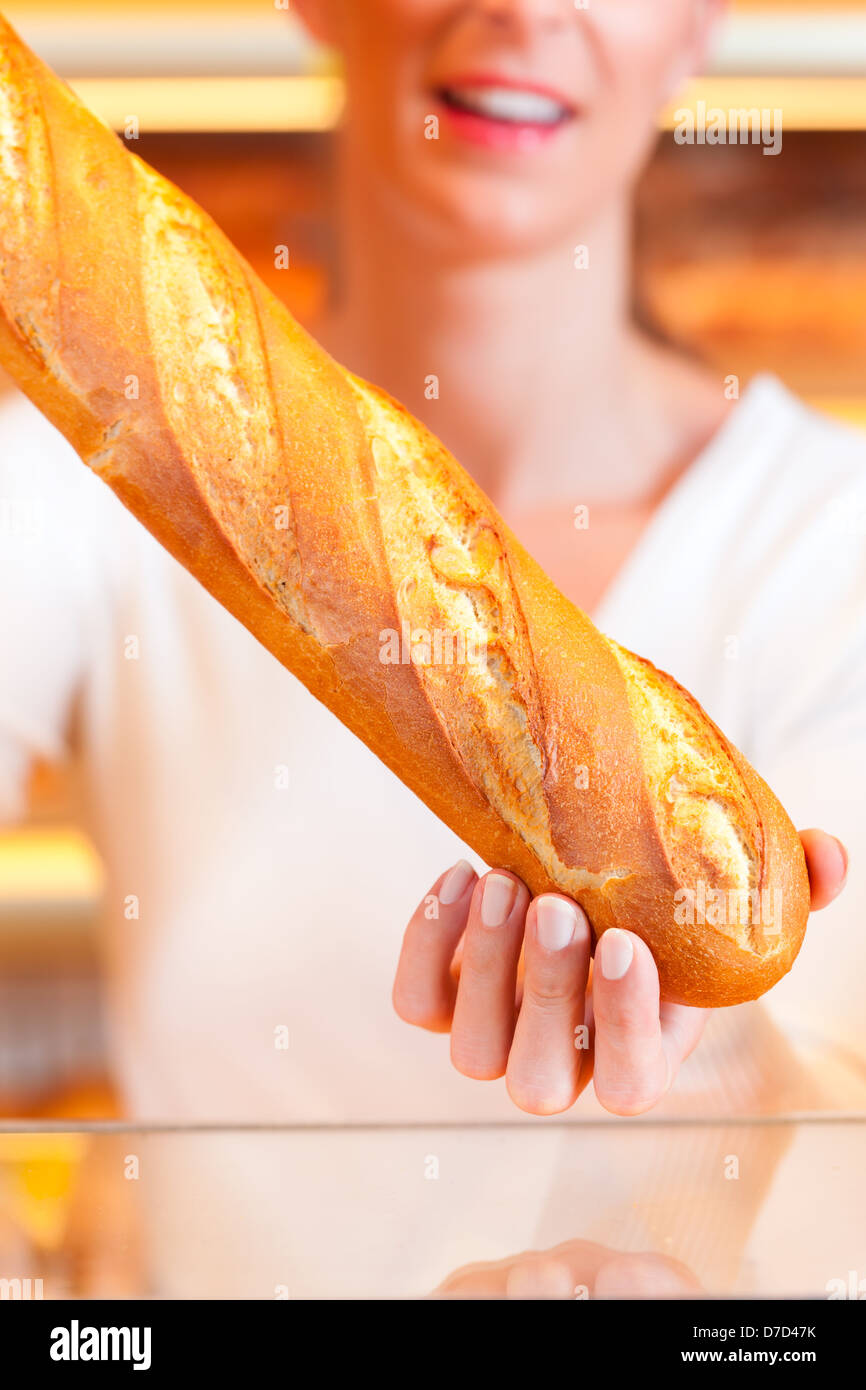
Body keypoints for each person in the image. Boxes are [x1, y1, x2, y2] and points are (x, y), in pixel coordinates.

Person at [0, 0, 858, 1146]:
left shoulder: (832, 533)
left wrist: (712, 1137)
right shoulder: (62, 492)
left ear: (698, 26)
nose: (520, 10)